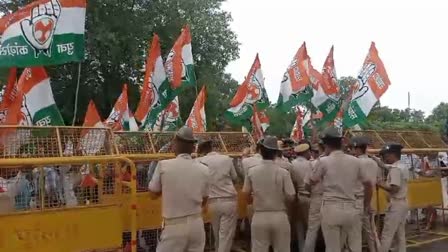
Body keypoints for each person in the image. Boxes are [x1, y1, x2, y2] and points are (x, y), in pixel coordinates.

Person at [310, 127, 373, 252]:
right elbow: (368, 184)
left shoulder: (323, 161)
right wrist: (366, 205)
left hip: (331, 208)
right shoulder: (356, 161)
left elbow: (312, 181)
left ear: (326, 145)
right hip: (352, 207)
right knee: (355, 245)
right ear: (342, 143)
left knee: (333, 247)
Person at [148, 126, 209, 252]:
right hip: (197, 225)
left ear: (174, 145)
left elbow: (152, 194)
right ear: (193, 148)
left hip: (174, 227)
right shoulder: (204, 169)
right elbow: (204, 200)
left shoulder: (163, 166)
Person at [242, 136, 296, 252]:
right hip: (279, 215)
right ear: (276, 153)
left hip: (259, 216)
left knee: (259, 248)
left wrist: (252, 201)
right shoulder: (283, 172)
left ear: (260, 151)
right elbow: (291, 196)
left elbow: (245, 193)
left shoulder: (251, 171)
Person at [197, 139, 238, 252]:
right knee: (226, 235)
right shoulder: (226, 159)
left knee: (217, 233)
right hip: (229, 200)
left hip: (212, 202)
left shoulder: (199, 161)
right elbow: (235, 178)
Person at [349, 136, 381, 252]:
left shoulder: (354, 163)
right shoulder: (373, 163)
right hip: (370, 198)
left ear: (357, 148)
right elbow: (377, 180)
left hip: (357, 200)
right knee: (371, 231)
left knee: (355, 232)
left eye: (352, 148)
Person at [377, 143, 409, 252]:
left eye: (386, 155)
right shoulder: (402, 166)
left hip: (395, 204)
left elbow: (394, 188)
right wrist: (376, 161)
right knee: (400, 234)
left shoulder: (395, 169)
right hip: (403, 203)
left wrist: (380, 184)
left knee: (387, 234)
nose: (385, 158)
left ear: (392, 155)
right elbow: (386, 167)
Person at [303, 140, 326, 252]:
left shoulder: (312, 164)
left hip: (316, 197)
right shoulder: (335, 161)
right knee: (332, 231)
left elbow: (307, 184)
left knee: (312, 230)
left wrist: (311, 192)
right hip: (332, 199)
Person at [290, 143, 312, 252]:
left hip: (298, 196)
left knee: (299, 225)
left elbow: (292, 182)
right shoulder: (311, 164)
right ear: (306, 152)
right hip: (309, 197)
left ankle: (301, 248)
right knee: (311, 226)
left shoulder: (291, 164)